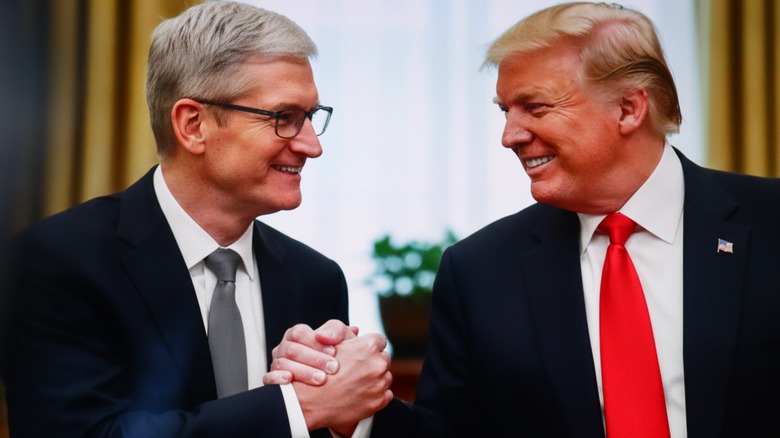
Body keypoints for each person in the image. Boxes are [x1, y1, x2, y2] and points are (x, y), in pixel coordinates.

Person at [267, 2, 780, 437]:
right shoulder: (480, 271)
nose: (510, 135)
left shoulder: (770, 223)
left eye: (534, 108)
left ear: (629, 108)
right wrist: (357, 408)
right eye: (505, 111)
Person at [0, 2, 392, 437]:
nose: (311, 146)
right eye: (284, 118)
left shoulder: (315, 278)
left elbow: (333, 414)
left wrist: (349, 409)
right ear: (193, 125)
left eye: (312, 118)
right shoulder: (56, 262)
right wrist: (297, 409)